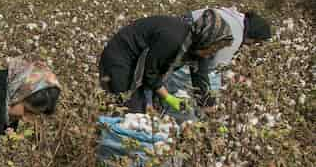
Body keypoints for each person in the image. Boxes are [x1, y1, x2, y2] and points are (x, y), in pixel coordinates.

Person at [98, 11, 234, 114]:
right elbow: (149, 72)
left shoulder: (198, 47)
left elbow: (201, 80)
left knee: (145, 108)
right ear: (206, 39)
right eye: (215, 47)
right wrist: (168, 97)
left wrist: (213, 116)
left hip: (140, 64)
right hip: (121, 58)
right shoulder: (173, 39)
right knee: (131, 109)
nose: (214, 52)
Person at [165, 7, 272, 108]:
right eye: (255, 42)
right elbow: (213, 67)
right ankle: (170, 104)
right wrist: (208, 100)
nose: (252, 45)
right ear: (253, 36)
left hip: (180, 25)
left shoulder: (235, 16)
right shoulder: (235, 35)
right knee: (183, 79)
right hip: (189, 36)